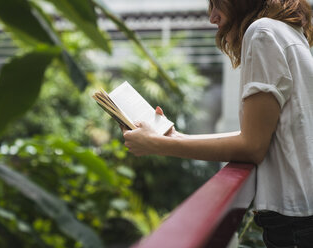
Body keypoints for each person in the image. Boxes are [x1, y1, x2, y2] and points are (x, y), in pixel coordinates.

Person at [121, 0, 313, 247]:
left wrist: (158, 146)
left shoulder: (262, 32)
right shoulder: (286, 31)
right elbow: (262, 134)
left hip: (293, 224)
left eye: (217, 4)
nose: (212, 18)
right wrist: (175, 137)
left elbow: (253, 146)